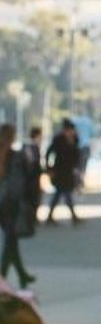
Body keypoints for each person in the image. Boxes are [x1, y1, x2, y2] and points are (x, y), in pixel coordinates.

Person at [0, 124, 36, 288]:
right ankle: (2, 277)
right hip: (10, 203)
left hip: (2, 203)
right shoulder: (16, 156)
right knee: (10, 241)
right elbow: (23, 180)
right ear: (12, 136)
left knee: (11, 241)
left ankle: (22, 275)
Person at [44, 119, 81, 225]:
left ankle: (51, 216)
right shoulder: (58, 140)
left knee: (61, 193)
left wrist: (76, 167)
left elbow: (76, 155)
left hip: (69, 171)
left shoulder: (75, 139)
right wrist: (49, 168)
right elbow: (48, 153)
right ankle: (72, 216)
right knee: (64, 193)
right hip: (59, 171)